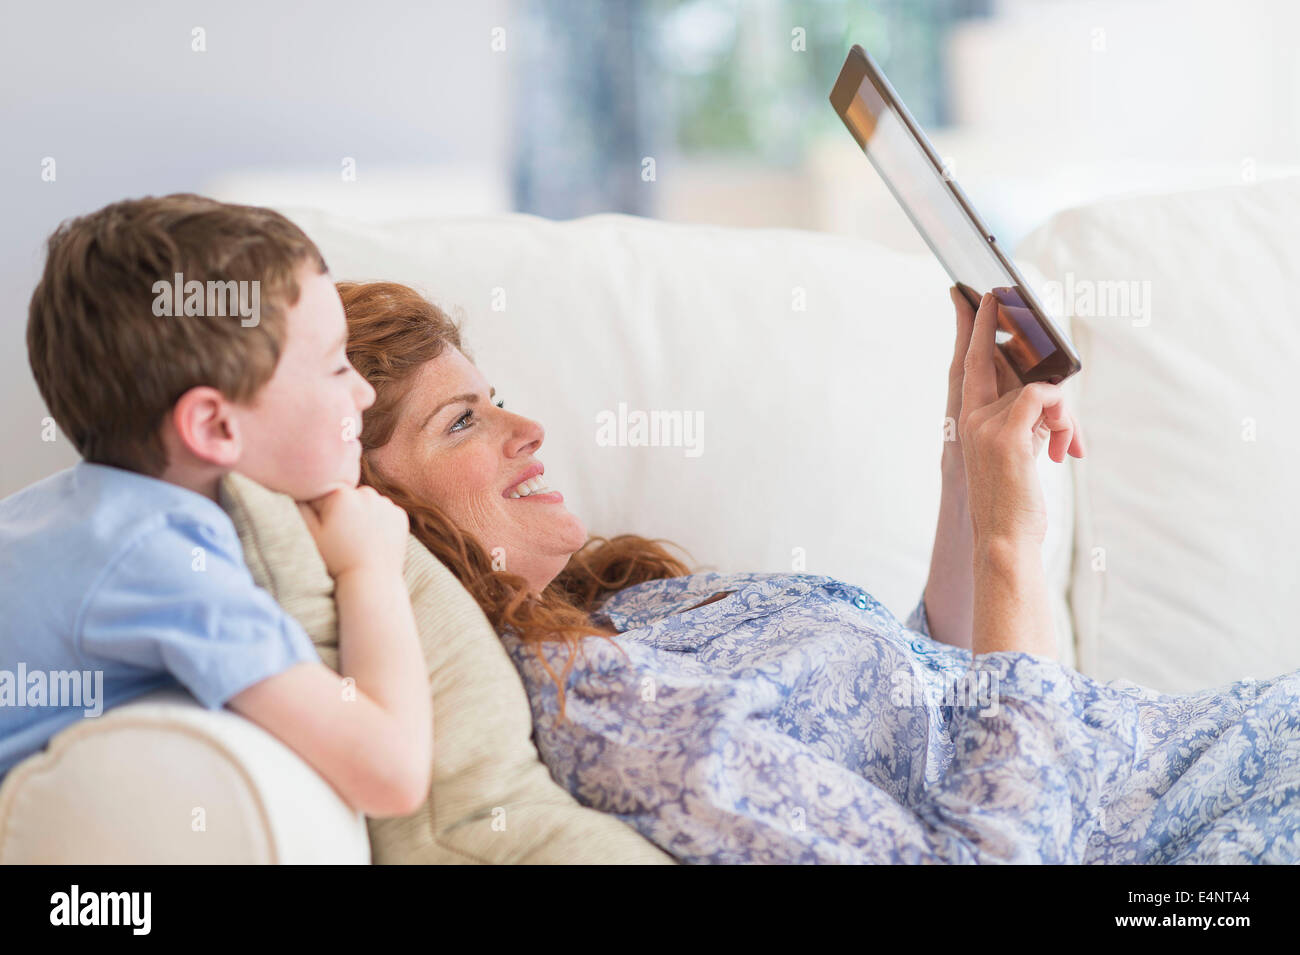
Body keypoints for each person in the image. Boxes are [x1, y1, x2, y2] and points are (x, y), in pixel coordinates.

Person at [339, 278, 1300, 864]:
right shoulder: (596, 705)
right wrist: (1014, 542)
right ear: (390, 511)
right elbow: (998, 851)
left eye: (493, 397)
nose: (528, 428)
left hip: (1232, 747)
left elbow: (939, 695)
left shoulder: (629, 609)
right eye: (461, 420)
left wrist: (968, 462)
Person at [0, 196, 431, 818]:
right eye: (338, 365)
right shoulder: (162, 559)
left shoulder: (73, 514)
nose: (363, 392)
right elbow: (389, 773)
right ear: (214, 426)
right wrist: (371, 570)